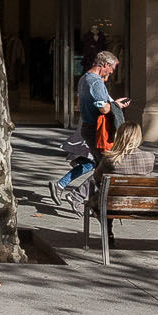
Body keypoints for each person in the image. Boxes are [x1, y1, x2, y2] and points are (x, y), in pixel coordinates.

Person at [49, 50, 125, 210]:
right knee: (106, 167)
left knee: (94, 164)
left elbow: (82, 103)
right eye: (111, 68)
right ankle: (76, 195)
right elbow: (104, 109)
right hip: (96, 130)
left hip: (88, 127)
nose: (112, 72)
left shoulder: (84, 78)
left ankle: (64, 187)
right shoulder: (96, 82)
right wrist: (116, 105)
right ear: (105, 64)